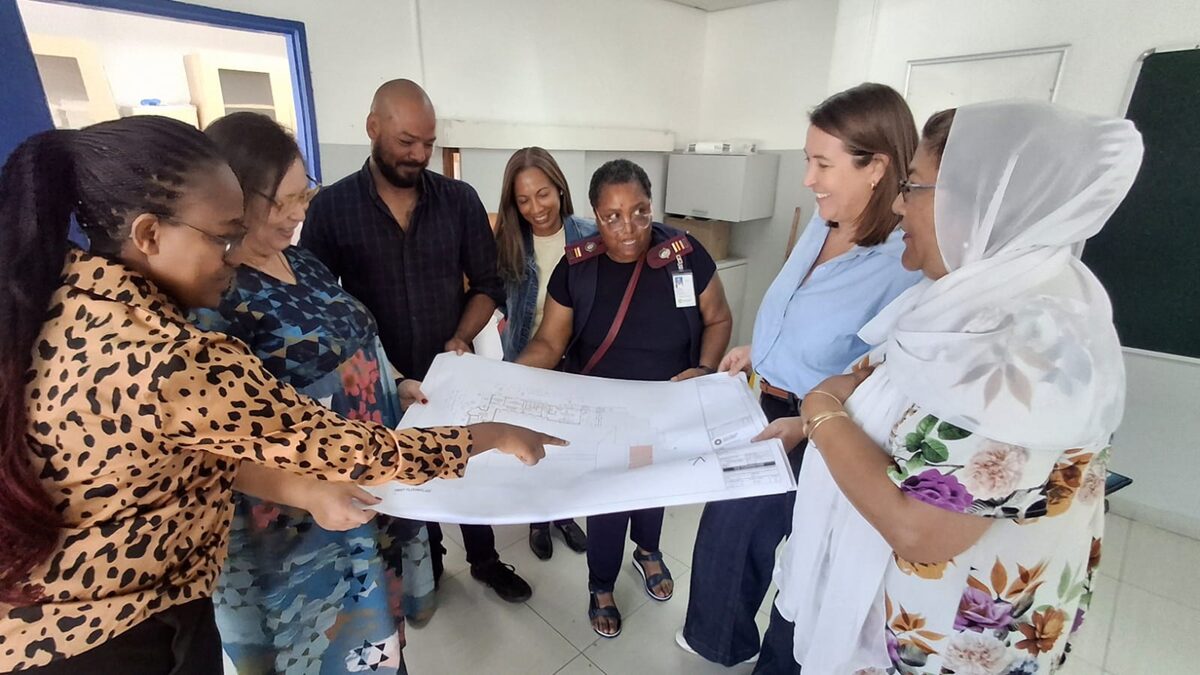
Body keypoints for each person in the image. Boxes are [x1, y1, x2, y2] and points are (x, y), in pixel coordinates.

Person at [0, 116, 561, 674]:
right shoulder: (172, 354)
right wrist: (494, 435)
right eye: (224, 237)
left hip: (76, 609)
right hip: (110, 629)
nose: (232, 255)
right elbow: (354, 453)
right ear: (149, 234)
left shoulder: (65, 297)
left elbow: (204, 448)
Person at [760, 101, 1140, 674]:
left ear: (978, 203)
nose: (896, 203)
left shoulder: (1030, 347)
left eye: (912, 187)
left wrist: (819, 411)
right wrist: (827, 405)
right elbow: (866, 378)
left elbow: (919, 528)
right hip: (863, 597)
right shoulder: (959, 299)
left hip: (930, 647)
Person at [678, 83, 923, 666]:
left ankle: (777, 651)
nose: (809, 178)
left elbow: (883, 375)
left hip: (827, 429)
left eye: (822, 164)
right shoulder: (825, 220)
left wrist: (807, 426)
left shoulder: (905, 263)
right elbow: (794, 306)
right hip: (768, 403)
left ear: (876, 168)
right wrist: (757, 351)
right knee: (726, 536)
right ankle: (720, 645)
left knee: (802, 562)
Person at [191, 112, 434, 674]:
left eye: (306, 194)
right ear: (234, 196)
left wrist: (395, 380)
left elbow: (354, 338)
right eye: (285, 201)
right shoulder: (215, 295)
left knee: (380, 634)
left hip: (367, 474)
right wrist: (308, 490)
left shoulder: (300, 260)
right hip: (298, 512)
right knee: (330, 642)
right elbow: (218, 441)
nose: (300, 212)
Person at [300, 80, 531, 602]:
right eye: (407, 142)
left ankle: (486, 559)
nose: (420, 155)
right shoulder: (332, 209)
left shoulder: (458, 200)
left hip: (451, 371)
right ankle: (427, 569)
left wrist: (460, 337)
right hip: (378, 384)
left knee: (465, 467)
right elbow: (316, 300)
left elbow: (489, 284)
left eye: (428, 143)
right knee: (404, 477)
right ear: (373, 128)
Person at [518, 159, 734, 639]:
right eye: (613, 216)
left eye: (639, 211)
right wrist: (505, 382)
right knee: (609, 501)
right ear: (595, 214)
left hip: (665, 409)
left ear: (650, 206)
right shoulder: (579, 268)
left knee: (653, 487)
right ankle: (600, 585)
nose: (629, 227)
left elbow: (719, 318)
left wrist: (704, 370)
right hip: (604, 416)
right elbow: (549, 343)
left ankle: (648, 552)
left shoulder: (684, 255)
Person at [494, 146, 595, 560]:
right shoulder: (510, 242)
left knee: (568, 443)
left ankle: (565, 515)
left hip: (575, 360)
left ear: (560, 189)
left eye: (543, 194)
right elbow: (496, 297)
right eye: (523, 199)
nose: (536, 208)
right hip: (528, 358)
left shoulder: (588, 236)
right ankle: (539, 519)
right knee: (534, 444)